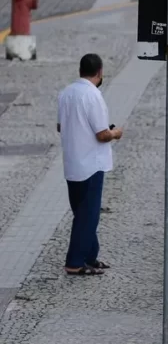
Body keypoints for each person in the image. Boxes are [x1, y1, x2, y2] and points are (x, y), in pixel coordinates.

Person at [57, 53, 123, 275]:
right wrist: (116, 133)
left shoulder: (66, 93)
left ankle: (90, 255)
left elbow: (60, 126)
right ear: (99, 72)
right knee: (88, 215)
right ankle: (75, 263)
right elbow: (102, 134)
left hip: (72, 163)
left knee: (82, 213)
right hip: (91, 164)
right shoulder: (93, 96)